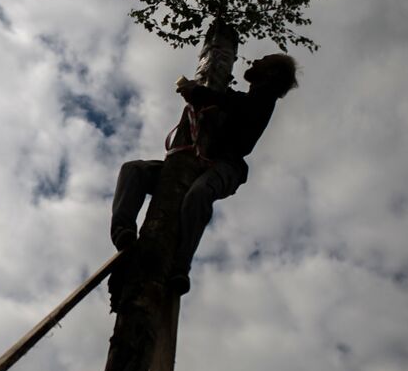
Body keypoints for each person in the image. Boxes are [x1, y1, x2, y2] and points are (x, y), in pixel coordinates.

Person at [109, 53, 298, 294]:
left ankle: (180, 266)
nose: (254, 62)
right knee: (133, 170)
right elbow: (224, 100)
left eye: (262, 60)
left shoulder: (263, 98)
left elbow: (235, 106)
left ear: (271, 73)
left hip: (226, 167)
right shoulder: (236, 99)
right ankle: (123, 233)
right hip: (188, 164)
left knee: (198, 195)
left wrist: (199, 94)